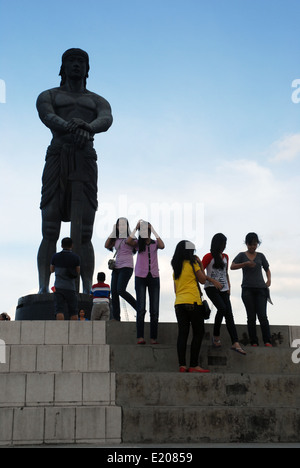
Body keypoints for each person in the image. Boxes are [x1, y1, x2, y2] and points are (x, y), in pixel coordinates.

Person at [37, 48, 113, 295]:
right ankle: (42, 287)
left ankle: (86, 288)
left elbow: (106, 119)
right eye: (71, 61)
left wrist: (87, 126)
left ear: (87, 68)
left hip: (85, 159)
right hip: (59, 155)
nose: (77, 65)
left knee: (84, 231)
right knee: (50, 225)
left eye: (81, 61)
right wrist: (72, 127)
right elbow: (47, 115)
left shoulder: (97, 100)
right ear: (63, 66)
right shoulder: (49, 95)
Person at [202, 234, 246, 355]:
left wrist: (229, 286)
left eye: (225, 244)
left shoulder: (225, 256)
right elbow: (199, 273)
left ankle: (235, 342)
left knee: (229, 314)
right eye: (222, 244)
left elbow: (225, 273)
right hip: (211, 287)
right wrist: (213, 281)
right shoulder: (208, 257)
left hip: (224, 288)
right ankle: (216, 336)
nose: (224, 247)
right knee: (222, 308)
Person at [171, 240, 210, 373]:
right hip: (193, 302)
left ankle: (182, 365)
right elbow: (203, 280)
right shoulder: (193, 264)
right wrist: (200, 264)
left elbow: (176, 290)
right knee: (198, 333)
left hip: (179, 303)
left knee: (183, 334)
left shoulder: (176, 268)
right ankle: (194, 364)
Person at [231, 232, 272, 347]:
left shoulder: (261, 256)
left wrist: (268, 280)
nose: (253, 247)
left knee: (263, 316)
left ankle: (267, 340)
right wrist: (245, 264)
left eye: (255, 244)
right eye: (251, 244)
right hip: (247, 289)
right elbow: (232, 266)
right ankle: (254, 341)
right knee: (251, 317)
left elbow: (267, 269)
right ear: (247, 244)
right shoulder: (242, 255)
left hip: (261, 289)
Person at [127, 220, 164, 344]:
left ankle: (153, 337)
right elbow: (128, 241)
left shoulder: (154, 244)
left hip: (153, 276)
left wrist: (153, 229)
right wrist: (136, 227)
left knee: (154, 309)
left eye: (146, 231)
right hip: (140, 276)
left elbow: (162, 245)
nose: (145, 234)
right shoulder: (138, 244)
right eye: (143, 231)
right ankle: (140, 336)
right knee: (141, 308)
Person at [105, 218, 137, 320]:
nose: (121, 227)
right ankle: (116, 317)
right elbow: (106, 245)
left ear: (127, 226)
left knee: (120, 290)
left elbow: (132, 243)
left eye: (124, 225)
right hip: (116, 267)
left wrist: (132, 232)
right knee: (114, 292)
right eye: (119, 225)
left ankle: (138, 307)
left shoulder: (131, 238)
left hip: (127, 266)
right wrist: (113, 232)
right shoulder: (116, 239)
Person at [50, 237, 80, 320]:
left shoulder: (55, 256)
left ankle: (60, 329)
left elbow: (51, 270)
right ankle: (74, 330)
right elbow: (77, 271)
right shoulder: (75, 257)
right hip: (71, 287)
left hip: (59, 286)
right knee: (73, 310)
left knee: (59, 309)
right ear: (72, 245)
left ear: (61, 245)